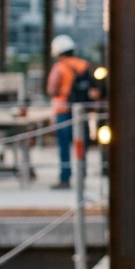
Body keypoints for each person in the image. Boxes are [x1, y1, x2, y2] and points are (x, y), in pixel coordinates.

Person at [46, 34, 94, 189]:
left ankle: (65, 179)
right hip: (81, 111)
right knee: (81, 146)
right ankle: (82, 177)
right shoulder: (84, 65)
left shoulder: (60, 67)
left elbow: (52, 89)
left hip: (64, 110)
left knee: (64, 148)